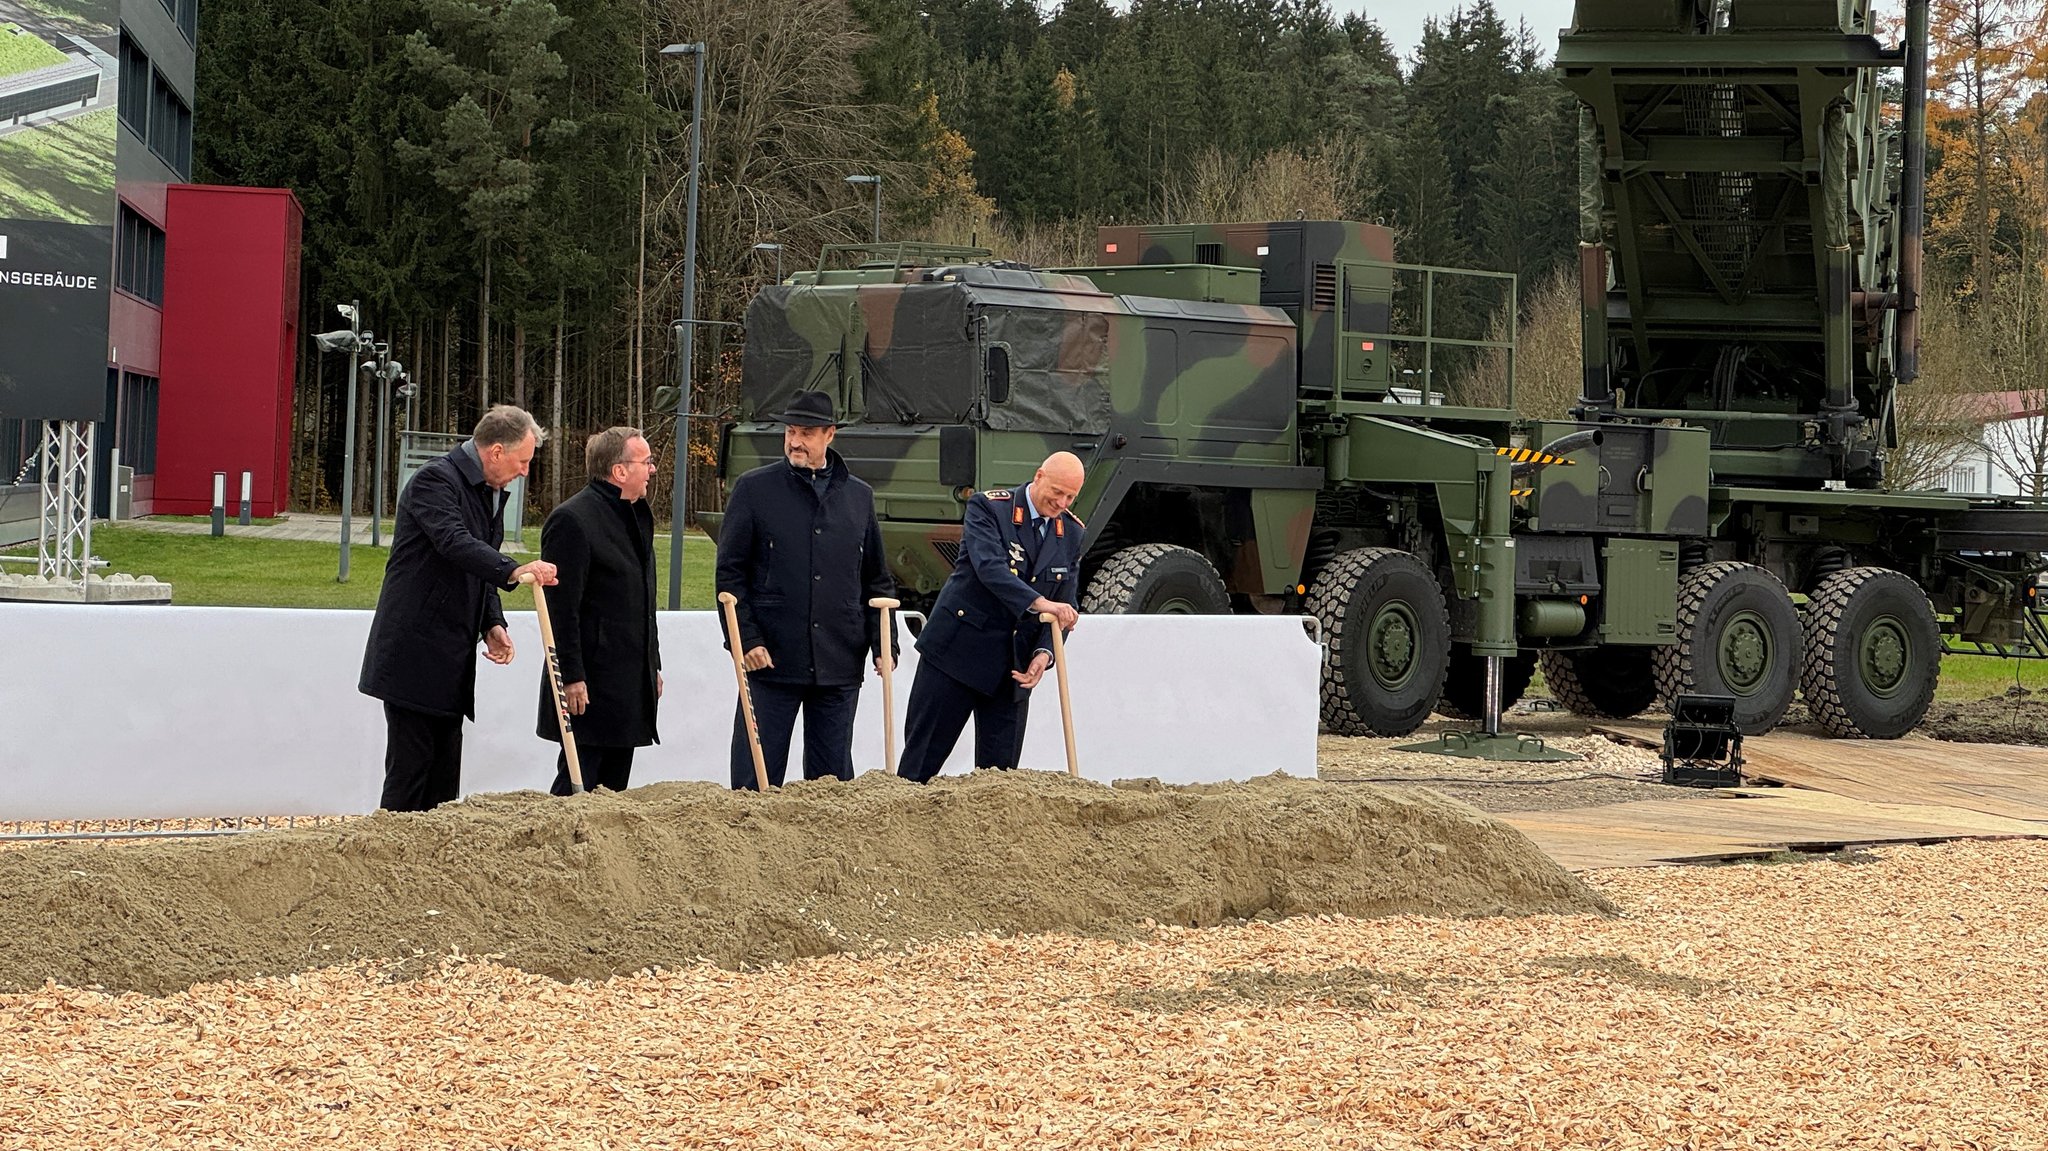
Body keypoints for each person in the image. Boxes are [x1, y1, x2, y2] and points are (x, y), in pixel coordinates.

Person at [360, 405, 557, 812]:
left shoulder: (488, 492)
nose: (524, 473)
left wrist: (491, 623)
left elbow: (477, 561)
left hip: (451, 656)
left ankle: (433, 870)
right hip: (413, 653)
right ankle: (391, 862)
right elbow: (453, 542)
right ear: (497, 451)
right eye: (522, 462)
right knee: (410, 775)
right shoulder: (435, 480)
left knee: (443, 779)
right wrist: (514, 570)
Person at [715, 390, 895, 789]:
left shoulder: (859, 497)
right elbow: (729, 575)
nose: (795, 441)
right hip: (770, 659)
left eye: (807, 433)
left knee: (830, 785)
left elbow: (877, 579)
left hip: (838, 661)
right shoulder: (754, 489)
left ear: (830, 435)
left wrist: (884, 643)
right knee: (754, 780)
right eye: (791, 431)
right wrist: (745, 639)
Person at [896, 452, 1086, 783]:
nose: (1061, 502)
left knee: (999, 783)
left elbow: (1064, 603)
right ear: (1038, 476)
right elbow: (989, 569)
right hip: (957, 654)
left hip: (1013, 668)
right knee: (919, 766)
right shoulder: (990, 508)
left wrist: (1044, 653)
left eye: (1071, 496)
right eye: (1057, 491)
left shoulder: (1070, 532)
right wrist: (1040, 603)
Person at [533, 426, 664, 795]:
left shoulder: (636, 514)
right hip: (589, 684)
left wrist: (651, 664)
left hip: (627, 682)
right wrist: (570, 676)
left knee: (613, 791)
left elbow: (642, 601)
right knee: (578, 785)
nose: (652, 470)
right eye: (647, 462)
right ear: (619, 471)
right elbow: (561, 610)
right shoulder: (573, 520)